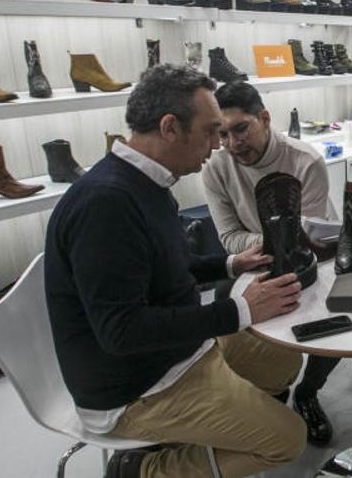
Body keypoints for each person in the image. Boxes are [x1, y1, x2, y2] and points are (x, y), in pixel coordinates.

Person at [45, 65, 307, 478]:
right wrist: (240, 310)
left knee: (283, 356)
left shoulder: (147, 184)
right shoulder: (106, 204)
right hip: (136, 389)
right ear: (169, 127)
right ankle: (143, 469)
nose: (218, 146)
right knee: (289, 440)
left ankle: (216, 428)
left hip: (181, 354)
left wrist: (230, 263)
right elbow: (121, 331)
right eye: (210, 132)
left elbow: (168, 266)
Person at [200, 80, 340, 448]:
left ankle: (308, 392)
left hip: (315, 256)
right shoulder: (215, 167)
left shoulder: (305, 160)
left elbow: (305, 239)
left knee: (336, 319)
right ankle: (261, 392)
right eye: (223, 134)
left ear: (264, 118)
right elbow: (228, 238)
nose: (232, 144)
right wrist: (270, 241)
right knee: (223, 296)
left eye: (241, 129)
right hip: (255, 258)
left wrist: (275, 241)